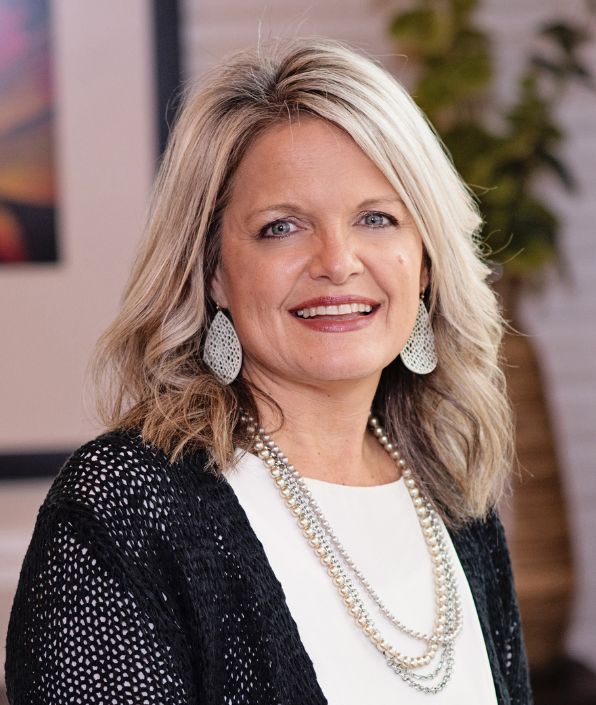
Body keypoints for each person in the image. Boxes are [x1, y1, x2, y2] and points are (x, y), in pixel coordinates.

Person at [5, 37, 532, 704]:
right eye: (282, 227)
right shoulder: (123, 510)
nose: (338, 261)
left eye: (377, 218)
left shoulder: (456, 500)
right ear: (214, 271)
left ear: (425, 263)